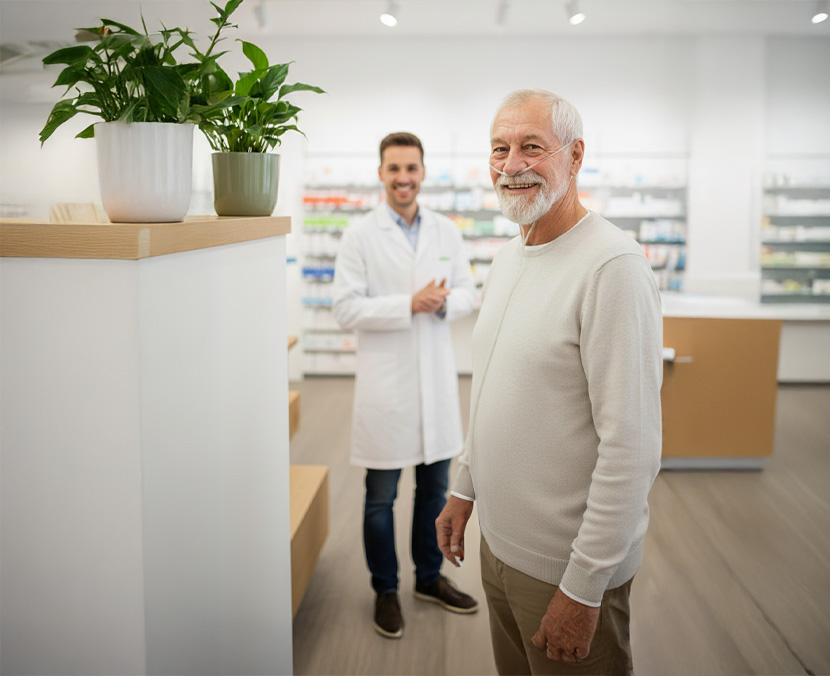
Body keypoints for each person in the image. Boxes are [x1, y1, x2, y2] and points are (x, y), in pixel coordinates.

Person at [435, 89, 663, 675]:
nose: (512, 166)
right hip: (499, 547)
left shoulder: (612, 268)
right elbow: (490, 386)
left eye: (531, 147)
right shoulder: (510, 257)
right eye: (500, 149)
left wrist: (585, 587)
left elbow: (632, 450)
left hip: (566, 569)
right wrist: (465, 486)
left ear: (575, 154)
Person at [332, 131, 479, 639]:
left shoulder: (446, 231)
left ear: (423, 172)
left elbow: (468, 292)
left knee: (434, 494)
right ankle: (386, 590)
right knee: (381, 500)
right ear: (380, 173)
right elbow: (344, 307)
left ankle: (429, 580)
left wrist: (445, 303)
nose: (403, 178)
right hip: (386, 388)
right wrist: (406, 304)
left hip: (434, 385)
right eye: (394, 169)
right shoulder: (360, 236)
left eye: (411, 169)